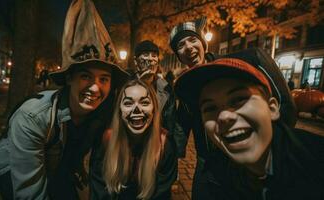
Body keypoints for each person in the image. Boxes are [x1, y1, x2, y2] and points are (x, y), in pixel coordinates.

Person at [0, 0, 129, 199]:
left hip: (59, 163)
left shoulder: (103, 110)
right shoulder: (33, 117)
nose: (95, 88)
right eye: (85, 76)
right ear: (70, 78)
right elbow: (30, 194)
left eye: (104, 79)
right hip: (15, 167)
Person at [169, 21, 297, 199]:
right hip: (207, 163)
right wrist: (172, 155)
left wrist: (270, 150)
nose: (188, 47)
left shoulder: (237, 66)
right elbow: (181, 125)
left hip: (242, 164)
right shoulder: (187, 88)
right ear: (178, 55)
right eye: (180, 45)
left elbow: (286, 107)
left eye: (192, 40)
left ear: (203, 44)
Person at [174, 58, 324, 199]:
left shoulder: (315, 160)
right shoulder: (213, 177)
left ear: (272, 108)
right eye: (210, 108)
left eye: (239, 99)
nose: (224, 116)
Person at [89, 79, 177, 200]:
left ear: (154, 109)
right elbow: (99, 192)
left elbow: (161, 195)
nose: (136, 109)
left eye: (144, 103)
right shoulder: (106, 142)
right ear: (119, 110)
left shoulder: (165, 145)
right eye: (128, 103)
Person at [133, 40, 185, 157]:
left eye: (154, 55)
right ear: (136, 61)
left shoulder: (166, 88)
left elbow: (169, 124)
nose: (151, 59)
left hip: (155, 149)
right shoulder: (125, 84)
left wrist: (170, 152)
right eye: (145, 54)